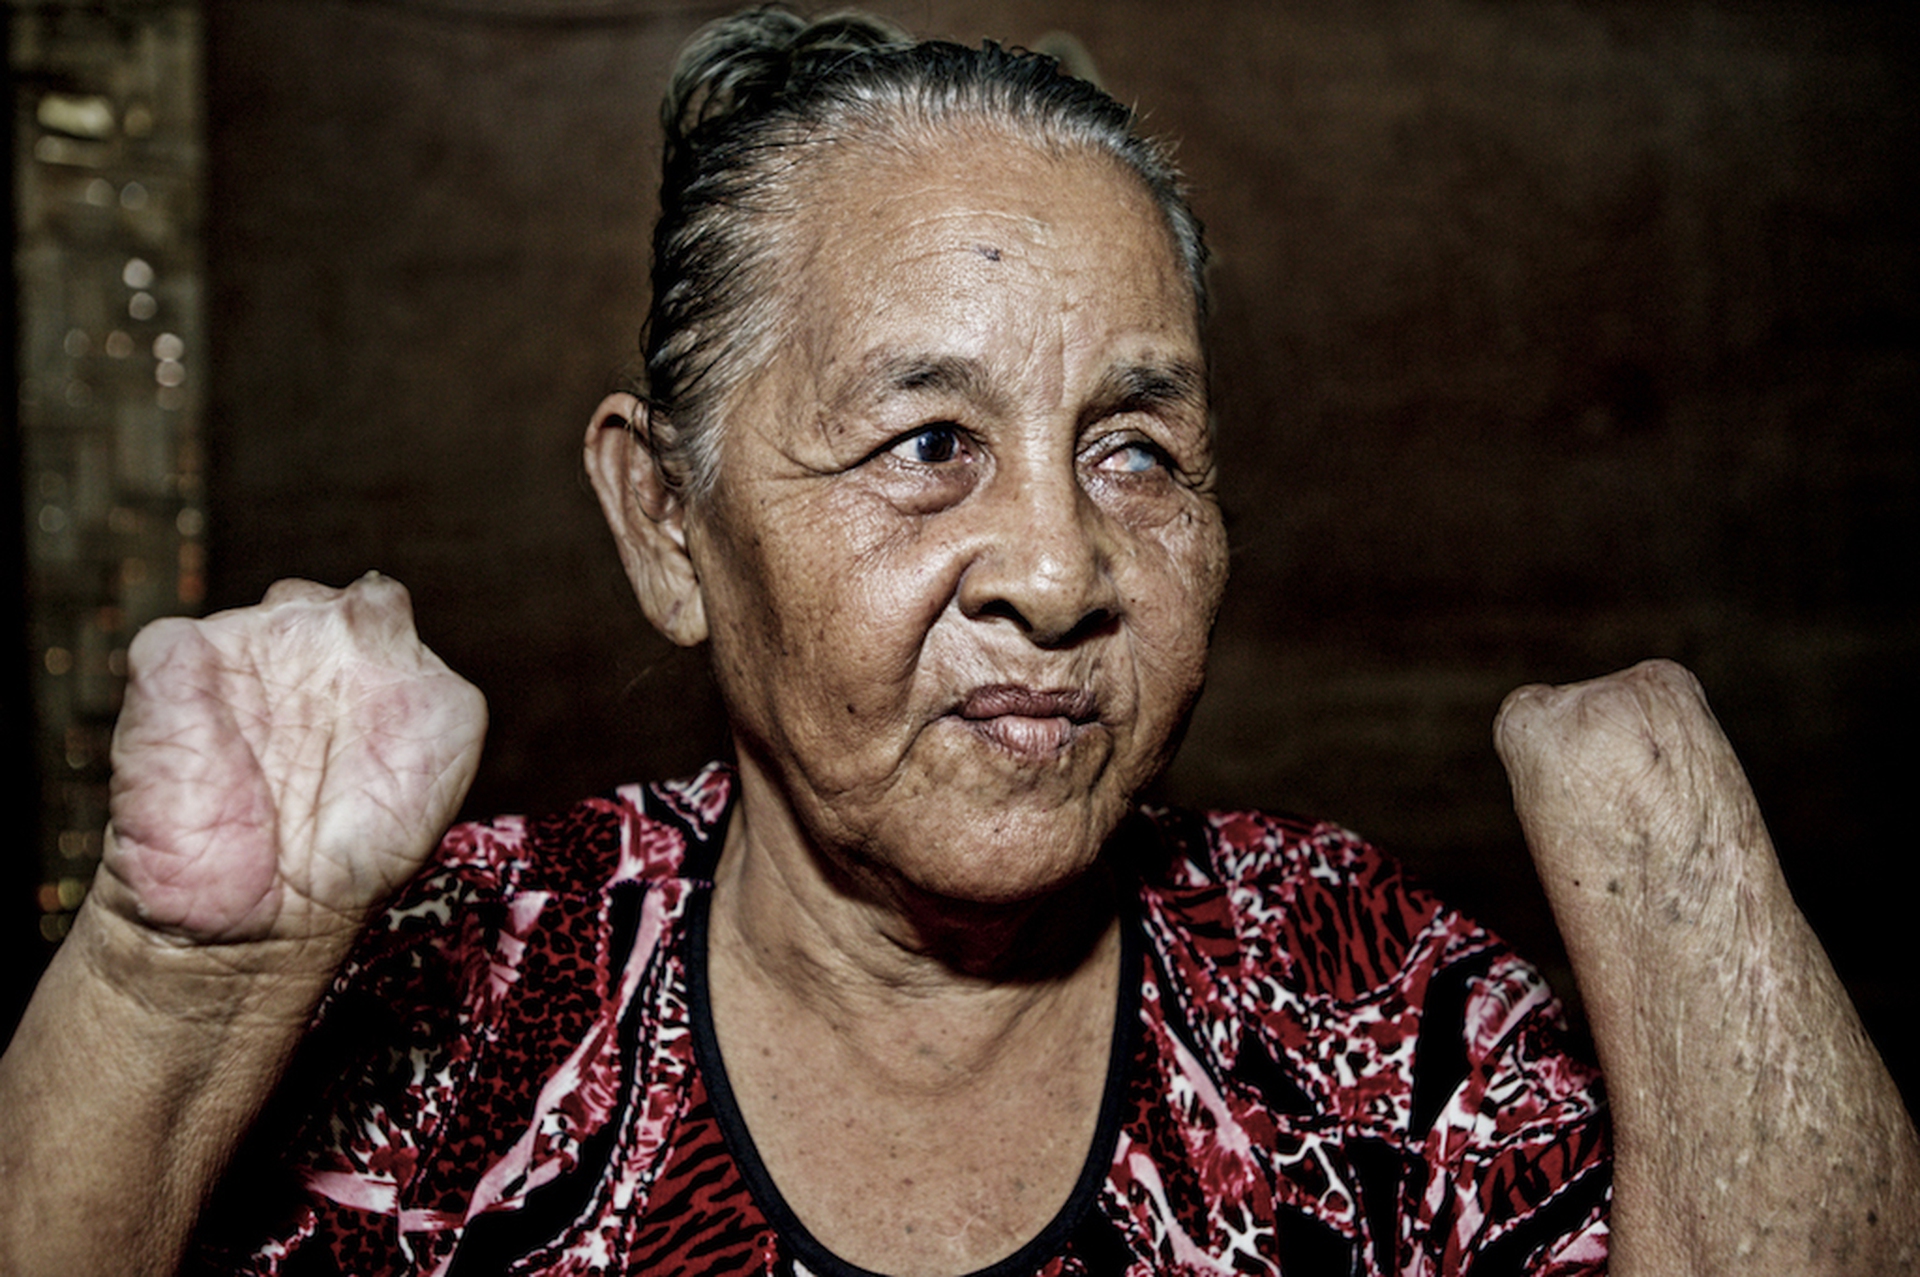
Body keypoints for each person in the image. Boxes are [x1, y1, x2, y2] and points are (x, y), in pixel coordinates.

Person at [1, 7, 1914, 1275]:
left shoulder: (1369, 1021)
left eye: (1138, 450)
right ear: (667, 524)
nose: (1061, 571)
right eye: (928, 445)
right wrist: (181, 989)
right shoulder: (464, 1015)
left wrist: (1661, 824)